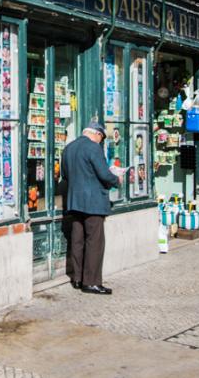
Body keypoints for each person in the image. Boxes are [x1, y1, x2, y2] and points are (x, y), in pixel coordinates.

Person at [60, 122, 122, 295]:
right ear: (97, 134)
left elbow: (65, 175)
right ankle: (92, 282)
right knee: (95, 241)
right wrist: (116, 179)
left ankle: (78, 278)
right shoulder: (94, 148)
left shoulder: (69, 148)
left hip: (74, 201)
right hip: (93, 202)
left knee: (77, 240)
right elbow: (104, 174)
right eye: (101, 137)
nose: (100, 141)